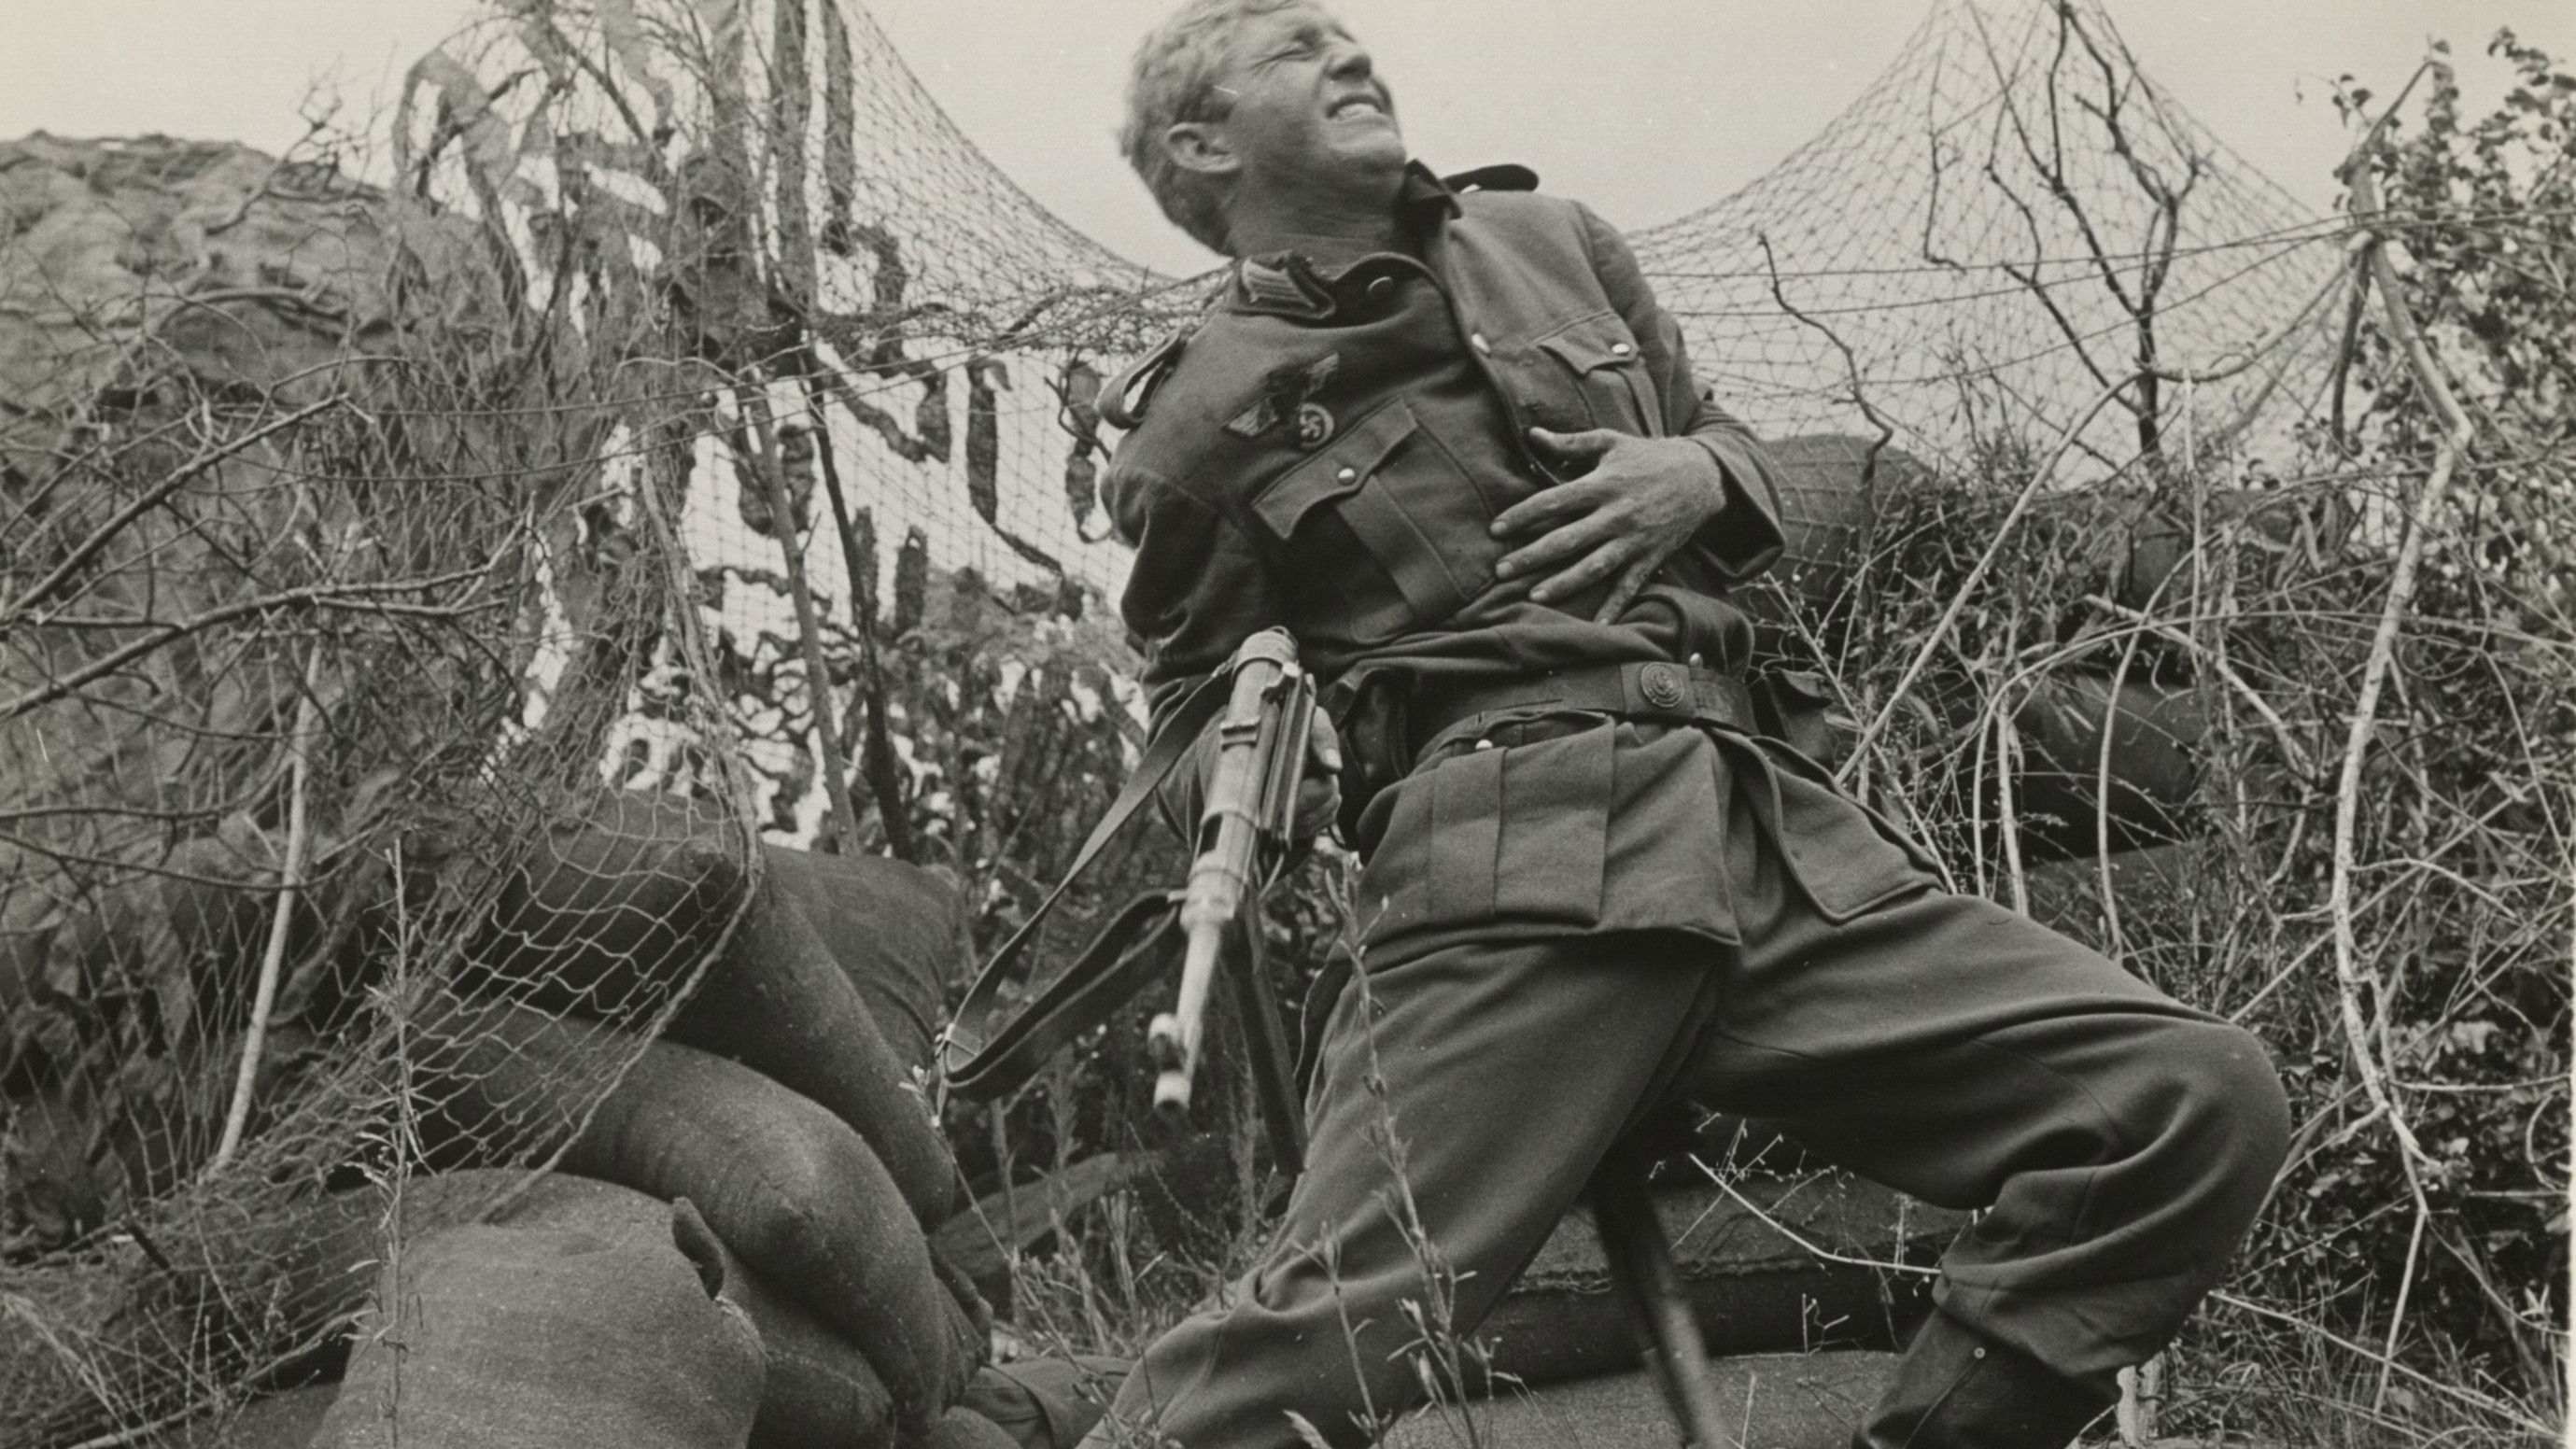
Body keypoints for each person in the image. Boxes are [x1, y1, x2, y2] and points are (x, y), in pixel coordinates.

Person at [1084, 4, 2290, 1446]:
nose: (1348, 53)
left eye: (1344, 34)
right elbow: (1187, 727)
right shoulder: (1193, 425)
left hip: (1769, 842)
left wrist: (1703, 478)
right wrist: (1265, 759)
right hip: (1509, 877)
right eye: (1294, 48)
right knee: (1320, 1348)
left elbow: (1722, 439)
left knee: (2188, 1101)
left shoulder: (1554, 245)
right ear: (1203, 145)